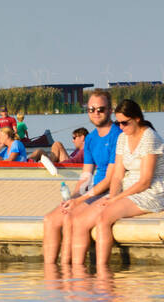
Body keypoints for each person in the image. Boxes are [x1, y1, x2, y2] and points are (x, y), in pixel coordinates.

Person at [72, 100, 164, 268]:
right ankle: (77, 270)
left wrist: (115, 200)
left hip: (150, 192)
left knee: (104, 217)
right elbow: (117, 175)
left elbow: (145, 182)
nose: (121, 127)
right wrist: (113, 195)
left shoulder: (149, 138)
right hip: (126, 190)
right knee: (80, 220)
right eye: (118, 123)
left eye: (125, 122)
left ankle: (103, 271)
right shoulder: (122, 138)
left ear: (137, 119)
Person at [42, 90, 120, 265]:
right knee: (50, 219)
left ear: (110, 110)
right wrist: (73, 197)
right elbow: (86, 174)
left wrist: (81, 200)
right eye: (91, 109)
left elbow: (110, 179)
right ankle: (52, 273)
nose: (96, 113)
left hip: (108, 192)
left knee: (72, 219)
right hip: (92, 192)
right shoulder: (91, 139)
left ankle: (73, 274)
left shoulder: (117, 135)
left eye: (100, 109)